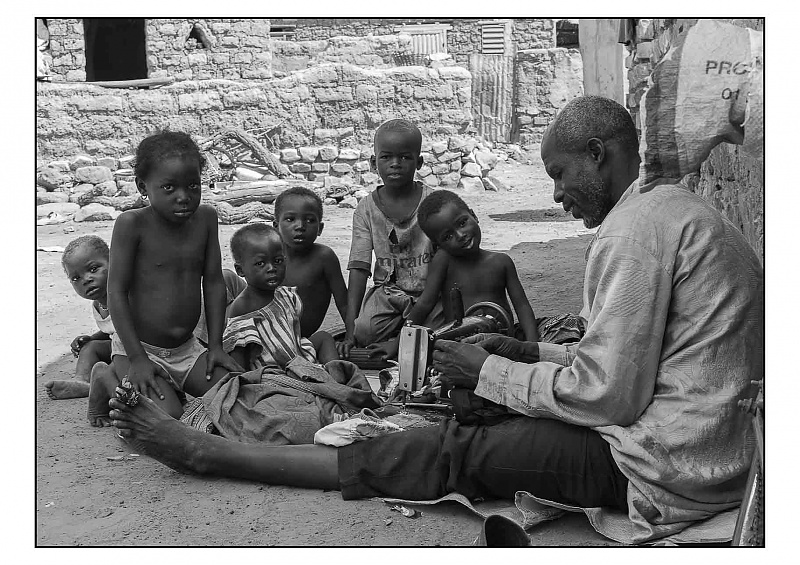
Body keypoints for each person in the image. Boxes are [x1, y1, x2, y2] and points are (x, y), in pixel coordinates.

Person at [108, 96, 763, 544]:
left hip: (661, 463)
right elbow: (623, 362)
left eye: (560, 175)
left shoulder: (633, 234)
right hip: (690, 439)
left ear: (597, 153)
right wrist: (522, 353)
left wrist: (491, 370)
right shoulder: (659, 214)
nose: (557, 193)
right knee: (481, 410)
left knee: (457, 450)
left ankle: (209, 453)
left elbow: (608, 394)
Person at [87, 130, 243, 426]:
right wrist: (137, 359)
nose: (183, 197)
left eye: (193, 185)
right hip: (138, 350)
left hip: (187, 349)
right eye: (169, 187)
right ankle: (106, 378)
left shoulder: (206, 219)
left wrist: (216, 346)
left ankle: (165, 385)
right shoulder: (131, 224)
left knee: (236, 396)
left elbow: (213, 282)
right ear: (142, 187)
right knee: (166, 420)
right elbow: (116, 292)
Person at [368, 189, 539, 361]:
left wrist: (533, 347)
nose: (460, 235)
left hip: (503, 342)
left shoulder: (501, 262)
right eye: (448, 236)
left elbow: (522, 306)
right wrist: (399, 342)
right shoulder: (444, 261)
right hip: (461, 348)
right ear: (437, 244)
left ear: (474, 215)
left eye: (462, 223)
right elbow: (424, 305)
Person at [338, 119, 444, 359]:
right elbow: (359, 269)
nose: (395, 164)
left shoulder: (434, 203)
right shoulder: (366, 209)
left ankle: (402, 336)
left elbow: (449, 261)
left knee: (440, 332)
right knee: (364, 332)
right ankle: (403, 333)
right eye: (386, 157)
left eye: (405, 157)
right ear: (373, 162)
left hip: (430, 292)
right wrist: (350, 330)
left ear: (419, 162)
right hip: (389, 294)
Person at [225, 222, 339, 368]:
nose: (272, 268)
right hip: (270, 371)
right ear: (240, 270)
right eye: (260, 264)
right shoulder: (242, 307)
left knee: (324, 337)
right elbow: (238, 355)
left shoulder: (286, 295)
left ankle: (336, 372)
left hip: (296, 356)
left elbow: (291, 337)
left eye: (278, 261)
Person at [272, 187, 348, 338]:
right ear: (276, 227)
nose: (300, 226)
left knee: (325, 338)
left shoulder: (324, 257)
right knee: (228, 278)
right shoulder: (268, 256)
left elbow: (344, 303)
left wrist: (351, 336)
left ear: (320, 228)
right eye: (290, 219)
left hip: (299, 339)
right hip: (264, 333)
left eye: (310, 220)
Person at [44, 235, 113, 400]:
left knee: (118, 360)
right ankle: (82, 381)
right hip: (119, 348)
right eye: (76, 278)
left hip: (141, 350)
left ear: (114, 262)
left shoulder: (126, 297)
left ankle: (105, 384)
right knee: (90, 348)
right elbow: (113, 330)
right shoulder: (98, 305)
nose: (86, 280)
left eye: (93, 269)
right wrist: (91, 338)